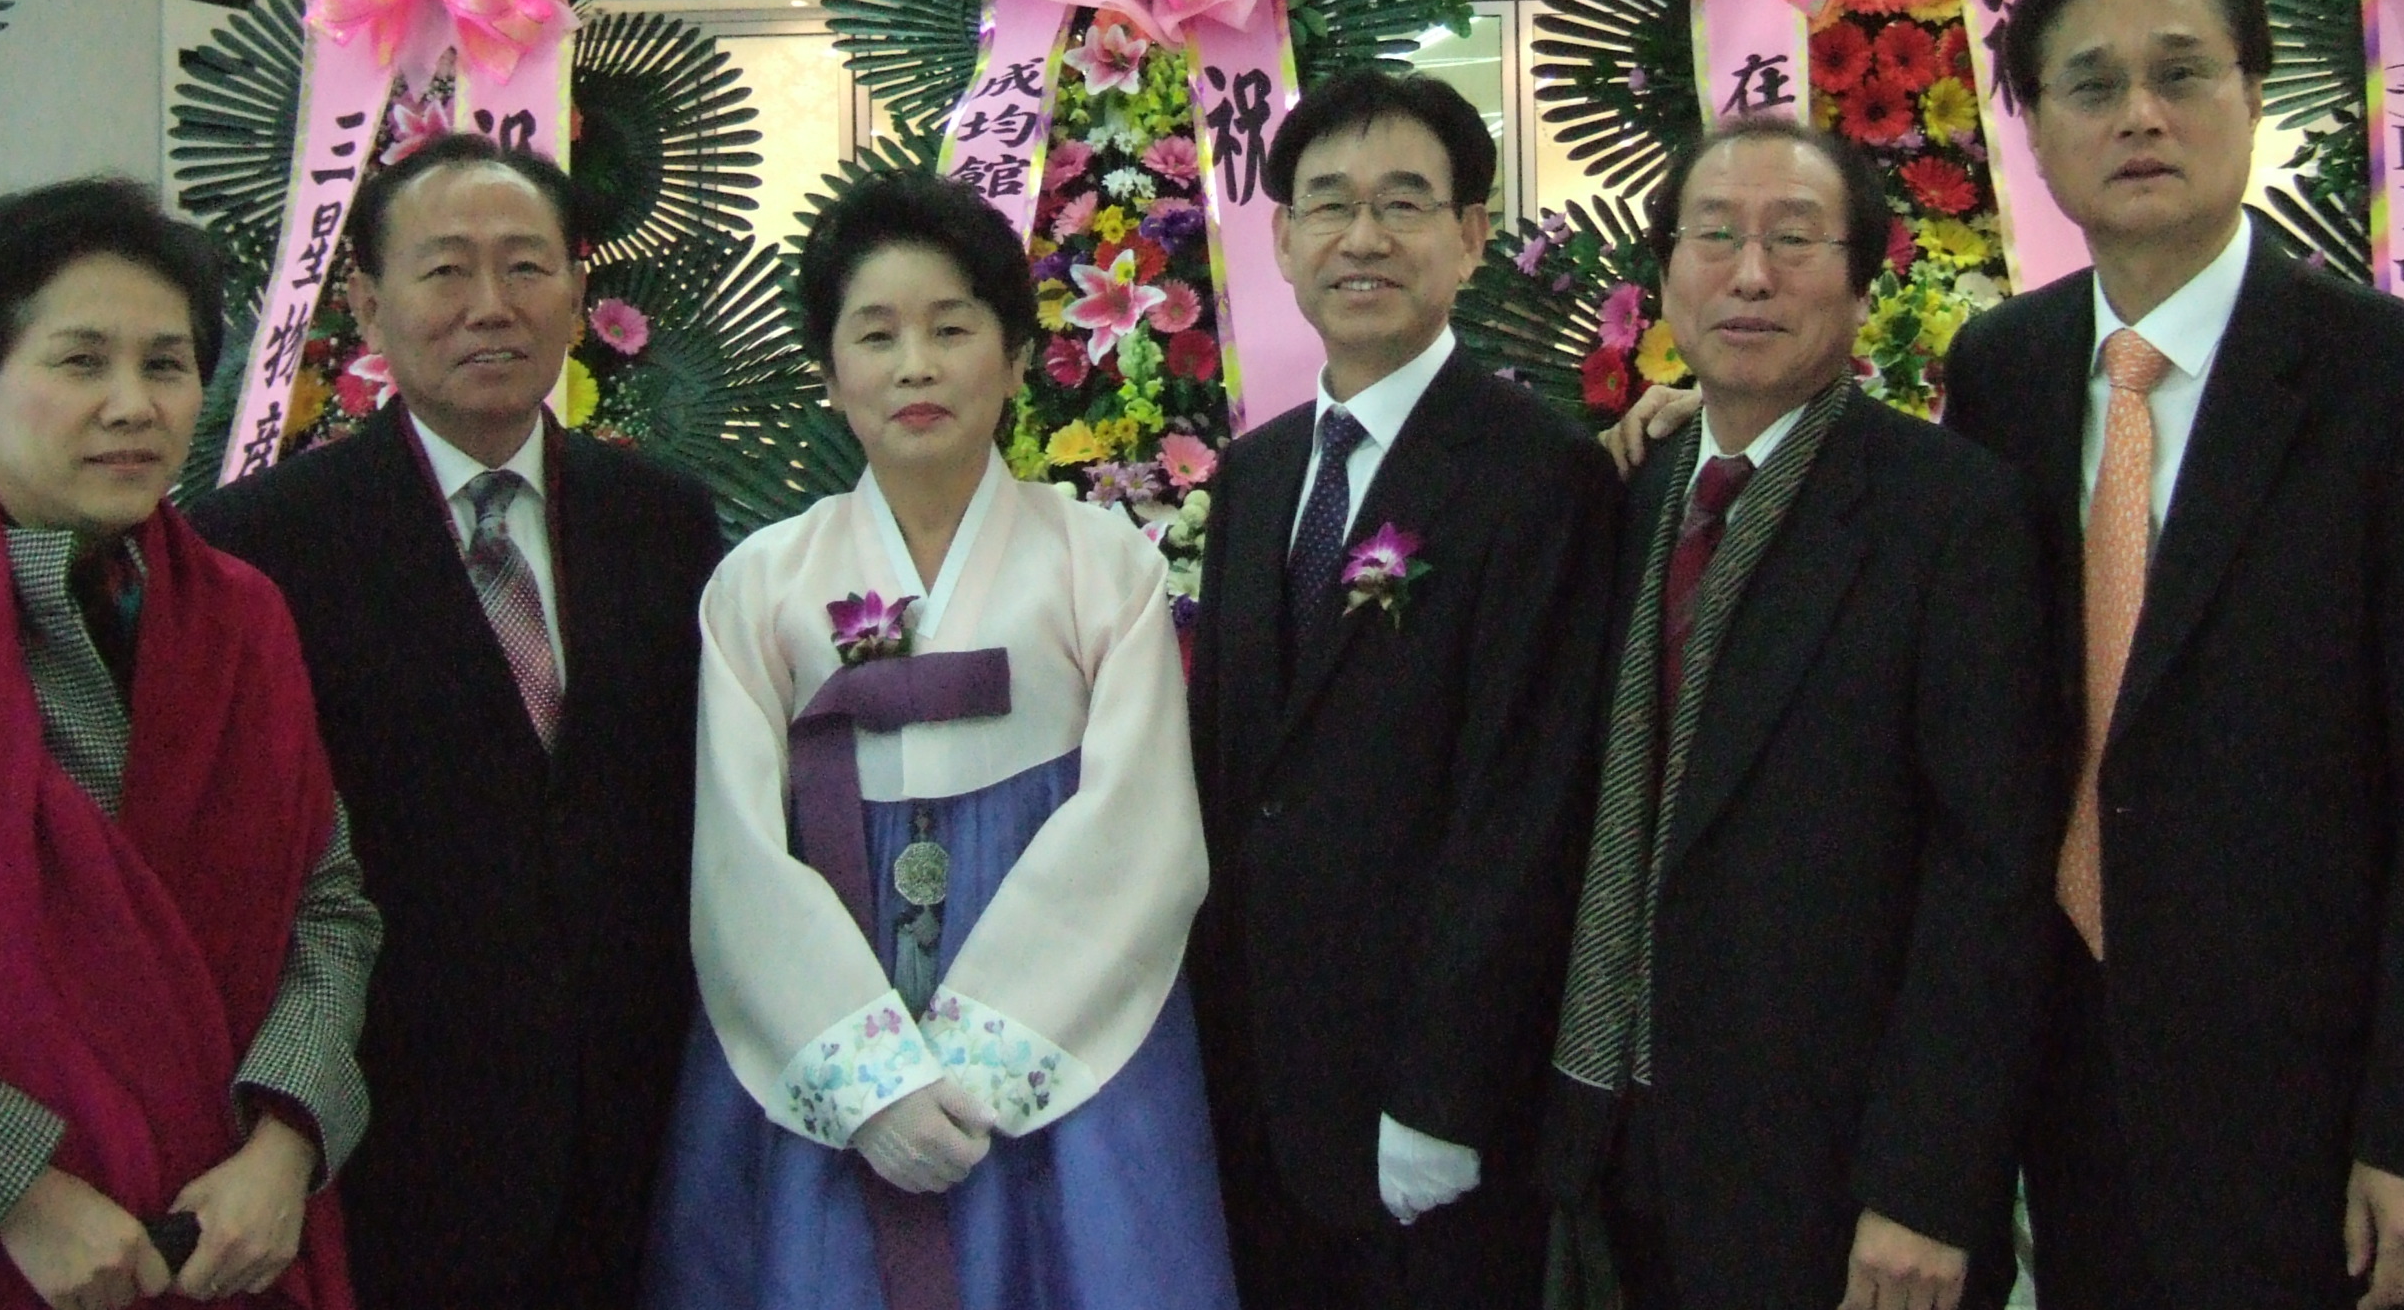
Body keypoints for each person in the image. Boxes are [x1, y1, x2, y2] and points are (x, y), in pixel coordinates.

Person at [1941, 0, 2404, 1310]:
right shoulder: (2004, 373)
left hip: (2332, 1120)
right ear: (2032, 127)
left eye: (2180, 73)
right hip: (2076, 1094)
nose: (2139, 115)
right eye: (2091, 85)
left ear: (2252, 95)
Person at [642, 168, 1234, 1310]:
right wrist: (871, 1081)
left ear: (1015, 359)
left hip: (1069, 1040)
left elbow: (1140, 835)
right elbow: (738, 862)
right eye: (876, 334)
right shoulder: (760, 586)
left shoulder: (1101, 564)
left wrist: (977, 1065)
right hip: (831, 1019)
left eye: (952, 328)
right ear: (828, 374)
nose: (914, 365)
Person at [193, 133, 726, 1310]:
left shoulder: (665, 521)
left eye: (526, 266)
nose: (492, 304)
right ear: (366, 304)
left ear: (577, 294)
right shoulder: (263, 545)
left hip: (640, 1127)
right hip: (396, 1134)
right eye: (445, 270)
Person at [0, 178, 376, 1310]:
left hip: (228, 1245)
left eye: (164, 364)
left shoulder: (242, 619)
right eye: (82, 362)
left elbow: (326, 904)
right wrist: (10, 1186)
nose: (132, 405)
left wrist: (288, 1139)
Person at [1546, 117, 2056, 1310]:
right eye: (1713, 235)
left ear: (1863, 284)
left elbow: (1990, 874)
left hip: (1832, 1170)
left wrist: (1927, 1184)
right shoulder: (1625, 490)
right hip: (1610, 1132)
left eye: (1793, 239)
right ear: (1665, 273)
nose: (1749, 274)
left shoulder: (1953, 515)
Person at [1188, 68, 1622, 1310]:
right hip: (1254, 1078)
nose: (1362, 237)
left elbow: (1528, 808)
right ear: (1282, 241)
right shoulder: (1256, 474)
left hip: (1425, 1101)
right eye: (1328, 204)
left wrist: (1445, 1094)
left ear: (1470, 236)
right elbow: (1234, 770)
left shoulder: (1538, 476)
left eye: (1403, 203)